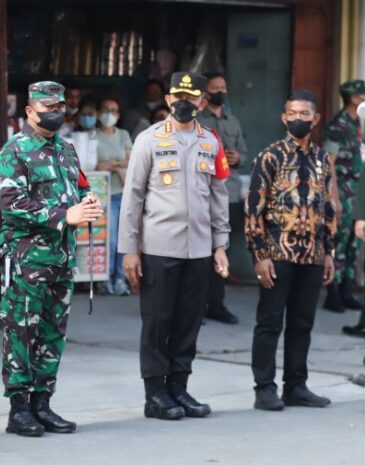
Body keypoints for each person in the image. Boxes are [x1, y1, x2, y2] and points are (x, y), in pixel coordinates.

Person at [120, 72, 231, 421]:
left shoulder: (210, 142)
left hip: (198, 249)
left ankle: (179, 388)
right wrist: (129, 249)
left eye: (191, 97)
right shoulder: (149, 140)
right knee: (157, 322)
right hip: (158, 248)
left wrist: (221, 245)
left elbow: (218, 197)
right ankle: (155, 394)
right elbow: (132, 197)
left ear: (201, 102)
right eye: (177, 96)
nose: (184, 103)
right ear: (169, 100)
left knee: (188, 322)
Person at [0, 81, 102, 437]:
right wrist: (63, 215)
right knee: (21, 331)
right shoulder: (14, 152)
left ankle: (43, 403)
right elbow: (12, 205)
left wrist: (88, 203)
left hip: (61, 258)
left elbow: (81, 187)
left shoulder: (67, 150)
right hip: (26, 258)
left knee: (53, 333)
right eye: (47, 108)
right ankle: (19, 408)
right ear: (29, 111)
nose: (54, 113)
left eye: (59, 107)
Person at [245, 90, 336, 411]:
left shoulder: (323, 159)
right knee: (270, 323)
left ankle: (296, 386)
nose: (299, 118)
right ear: (284, 118)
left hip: (312, 254)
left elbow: (329, 208)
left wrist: (329, 252)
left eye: (305, 113)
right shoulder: (269, 157)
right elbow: (253, 208)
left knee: (302, 323)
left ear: (316, 118)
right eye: (293, 113)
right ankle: (264, 388)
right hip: (276, 253)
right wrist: (259, 254)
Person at [197, 71, 249, 325]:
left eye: (223, 86)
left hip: (228, 193)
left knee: (220, 250)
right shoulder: (197, 119)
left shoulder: (233, 121)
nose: (221, 90)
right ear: (206, 92)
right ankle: (196, 306)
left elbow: (245, 153)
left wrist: (238, 158)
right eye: (215, 87)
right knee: (199, 253)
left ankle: (216, 305)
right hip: (203, 193)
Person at [322, 80, 365, 312]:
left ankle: (347, 290)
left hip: (360, 191)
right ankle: (333, 293)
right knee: (339, 242)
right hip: (345, 191)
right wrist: (335, 198)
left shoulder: (362, 123)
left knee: (355, 243)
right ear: (354, 98)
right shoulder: (338, 125)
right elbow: (329, 164)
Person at [95, 95, 132, 296]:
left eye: (113, 110)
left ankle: (119, 278)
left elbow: (131, 159)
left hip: (122, 193)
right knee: (107, 239)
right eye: (106, 110)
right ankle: (105, 277)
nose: (110, 114)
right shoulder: (93, 136)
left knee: (122, 240)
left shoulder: (123, 134)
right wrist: (118, 164)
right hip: (102, 195)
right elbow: (95, 165)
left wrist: (111, 165)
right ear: (100, 113)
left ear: (118, 114)